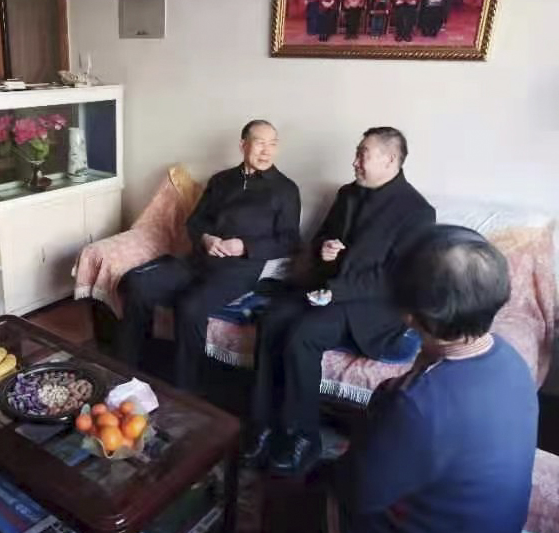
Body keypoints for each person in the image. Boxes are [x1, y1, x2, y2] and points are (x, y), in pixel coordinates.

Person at [243, 127, 435, 475]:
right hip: (328, 289)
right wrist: (325, 250)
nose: (355, 161)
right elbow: (322, 240)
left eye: (363, 154)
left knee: (304, 333)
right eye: (357, 153)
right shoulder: (348, 194)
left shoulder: (417, 211)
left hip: (373, 307)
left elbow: (395, 278)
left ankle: (303, 436)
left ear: (390, 160)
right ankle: (264, 423)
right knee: (272, 318)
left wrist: (337, 291)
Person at [339, 225, 538, 532]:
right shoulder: (512, 359)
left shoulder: (414, 403)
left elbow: (359, 494)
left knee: (317, 490)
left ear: (409, 316)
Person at [116, 120, 301, 390]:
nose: (266, 150)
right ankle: (127, 372)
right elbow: (195, 221)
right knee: (137, 282)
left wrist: (244, 246)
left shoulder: (286, 189)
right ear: (243, 145)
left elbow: (289, 241)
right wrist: (205, 238)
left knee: (190, 306)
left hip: (241, 269)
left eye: (272, 144)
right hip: (199, 260)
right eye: (260, 143)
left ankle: (185, 391)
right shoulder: (221, 180)